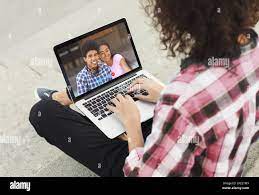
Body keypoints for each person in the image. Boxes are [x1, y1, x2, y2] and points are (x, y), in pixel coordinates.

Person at [29, 0, 259, 177]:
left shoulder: (181, 101)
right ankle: (81, 104)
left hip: (164, 164)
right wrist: (163, 94)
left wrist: (132, 126)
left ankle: (68, 102)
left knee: (43, 113)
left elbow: (140, 174)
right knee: (133, 101)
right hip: (208, 158)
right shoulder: (254, 51)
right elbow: (217, 108)